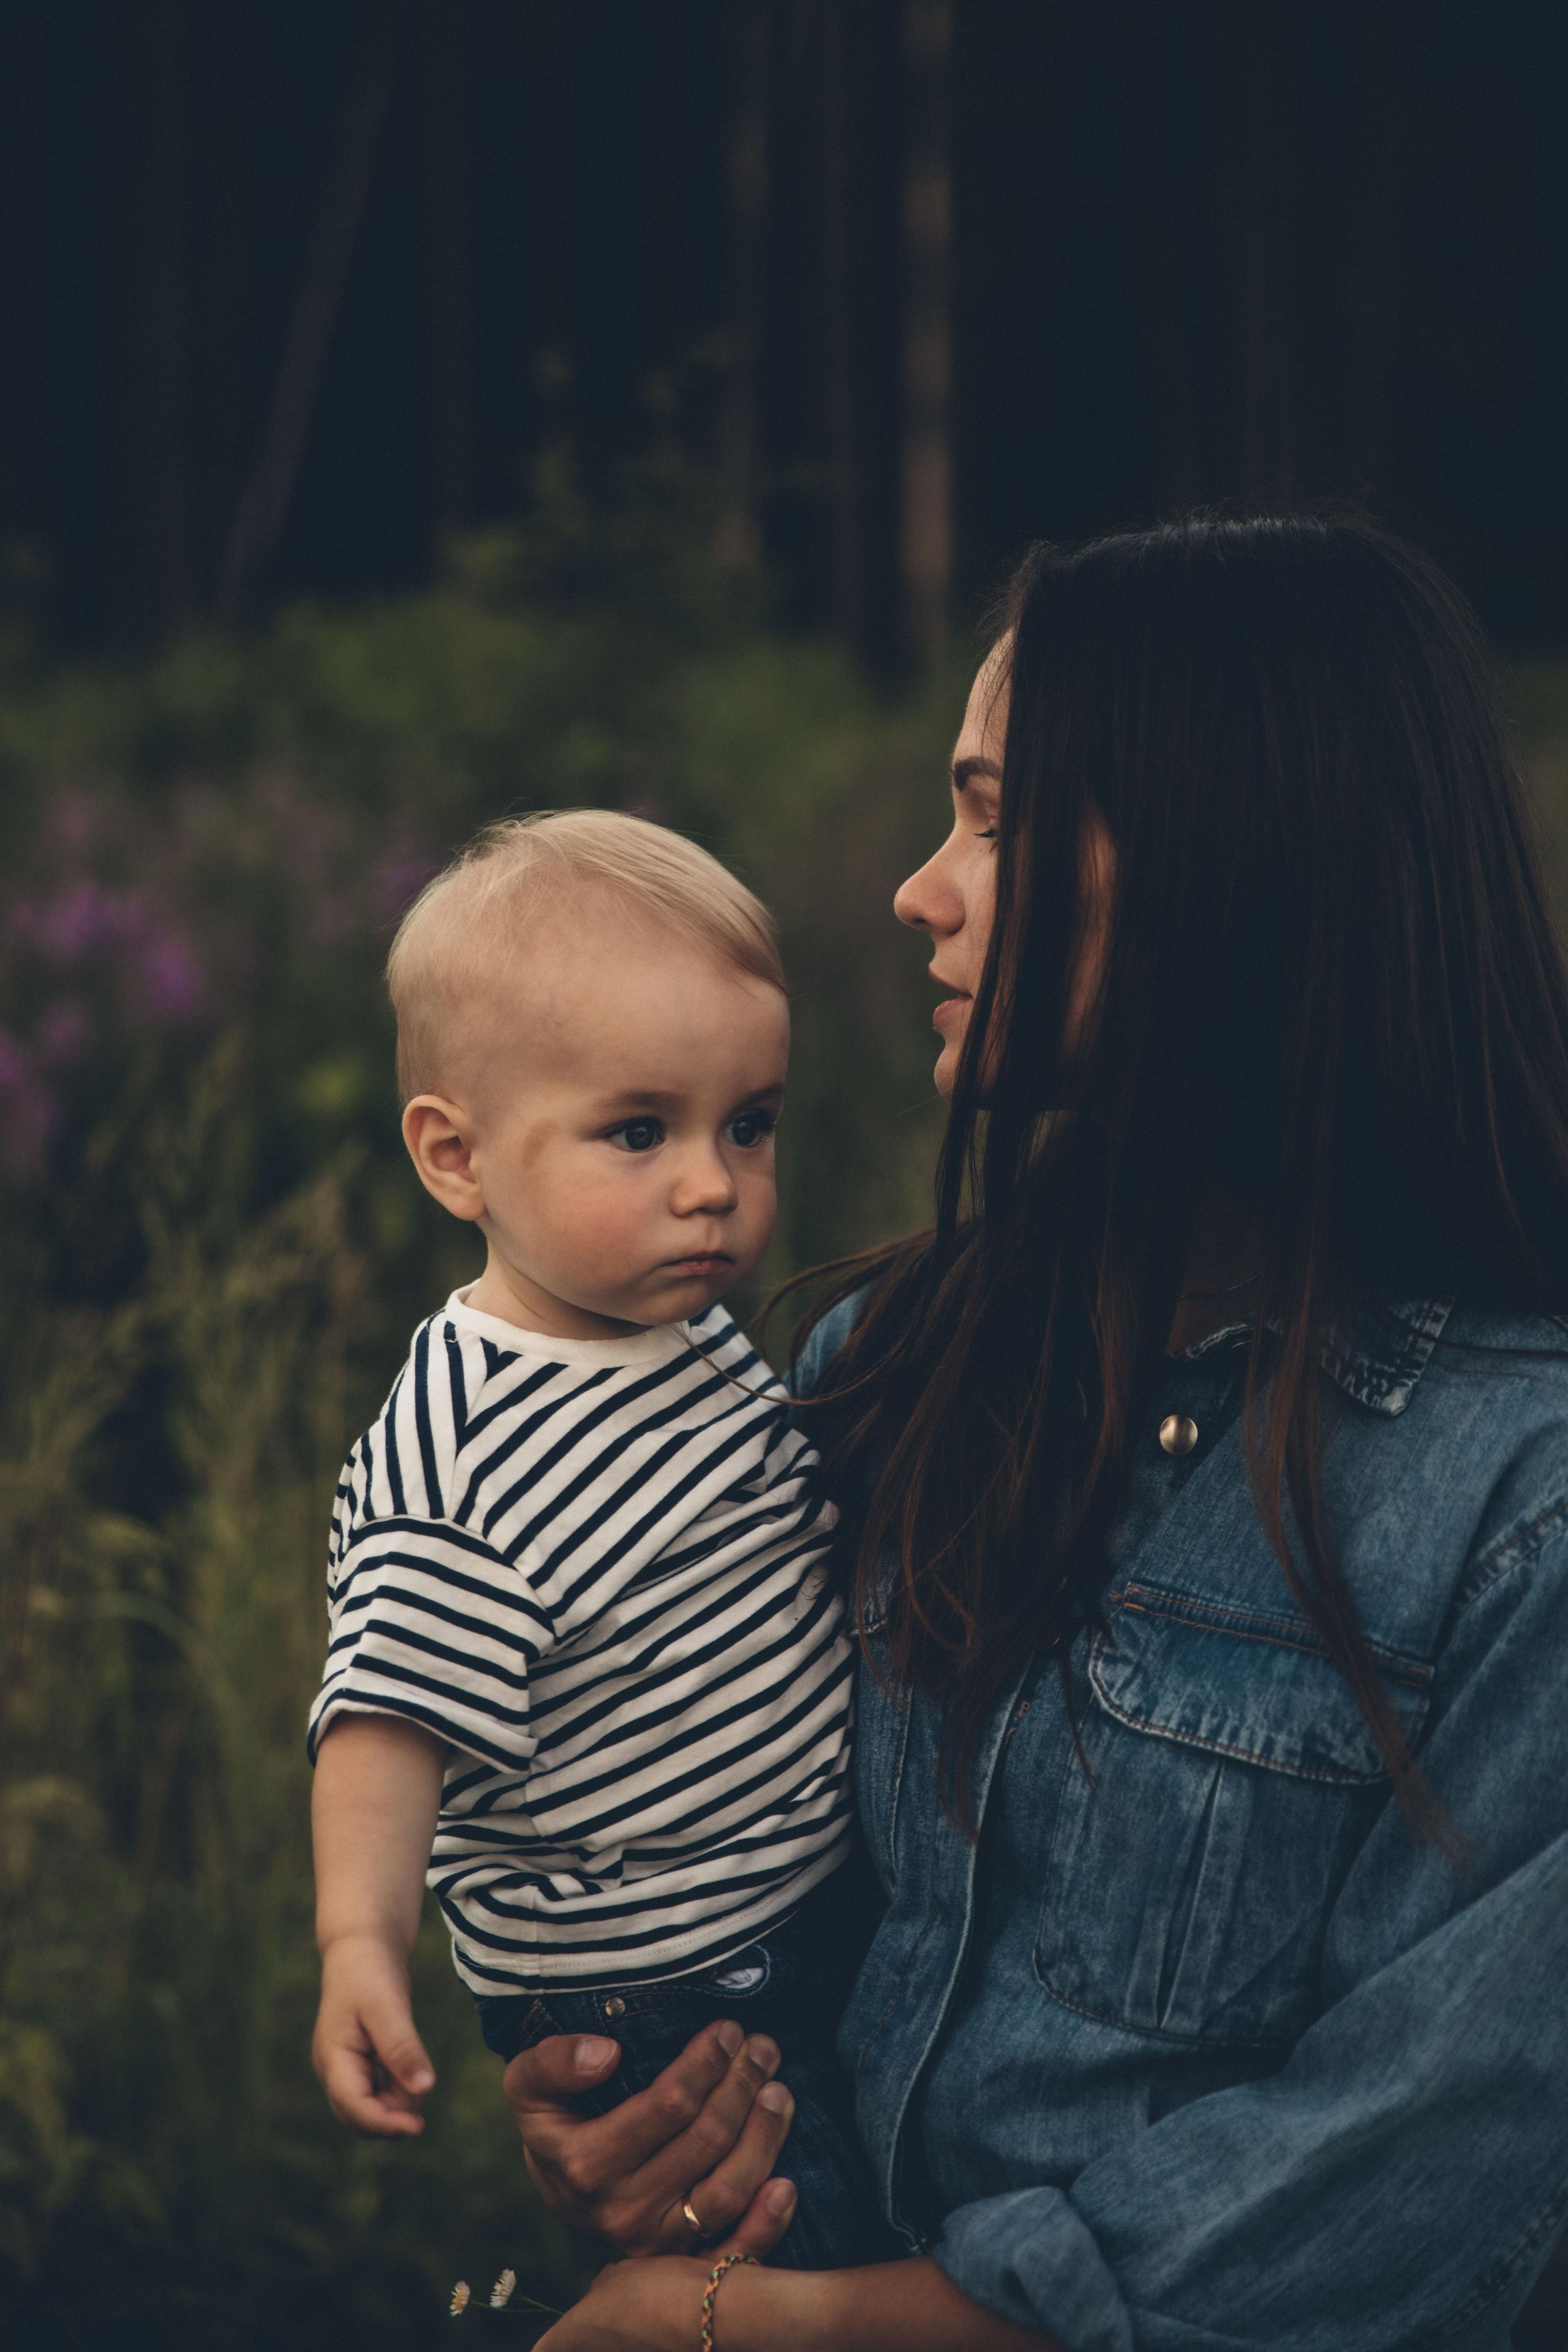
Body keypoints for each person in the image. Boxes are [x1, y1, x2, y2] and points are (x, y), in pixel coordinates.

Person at [503, 514, 1568, 2351]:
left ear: (1235, 864)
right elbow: (755, 1899)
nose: (922, 889)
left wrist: (800, 2329)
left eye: (997, 816)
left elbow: (1419, 2168)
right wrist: (652, 2113)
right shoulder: (884, 1359)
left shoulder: (1517, 1502)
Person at [306, 810, 891, 2272]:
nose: (710, 1184)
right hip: (670, 1990)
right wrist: (357, 1946)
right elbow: (385, 1720)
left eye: (745, 1125)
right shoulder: (467, 1449)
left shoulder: (673, 1327)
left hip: (803, 1908)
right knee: (795, 2260)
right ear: (457, 1159)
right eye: (639, 1133)